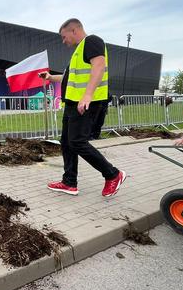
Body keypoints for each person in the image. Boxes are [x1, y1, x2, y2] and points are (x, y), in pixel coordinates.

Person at [39, 18, 126, 197]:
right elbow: (68, 79)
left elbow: (99, 66)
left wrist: (87, 95)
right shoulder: (78, 53)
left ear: (74, 31)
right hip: (72, 104)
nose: (64, 41)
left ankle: (113, 174)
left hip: (86, 104)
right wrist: (49, 77)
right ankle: (69, 182)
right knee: (67, 143)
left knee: (77, 142)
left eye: (64, 37)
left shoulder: (92, 41)